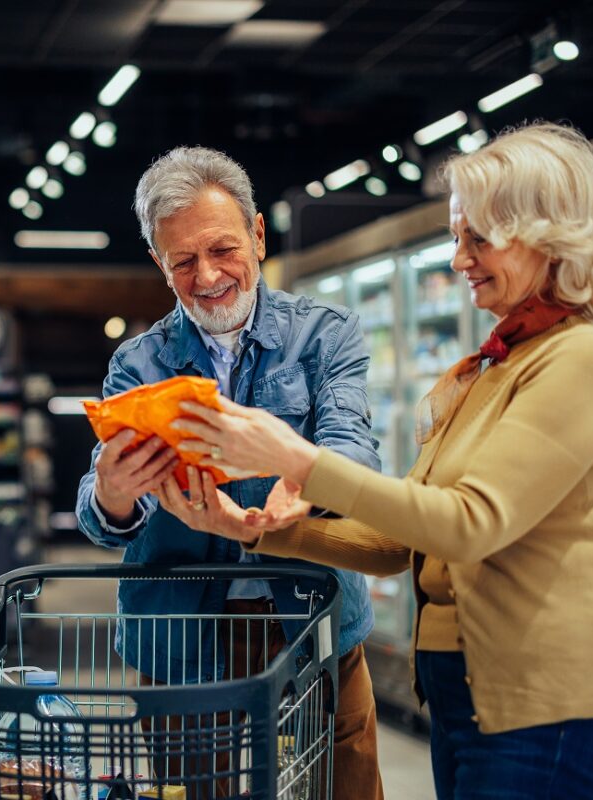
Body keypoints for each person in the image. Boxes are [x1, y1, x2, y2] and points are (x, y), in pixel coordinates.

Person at [173, 122, 593, 799]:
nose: (459, 260)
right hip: (467, 694)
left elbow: (468, 523)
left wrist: (301, 462)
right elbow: (401, 542)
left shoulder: (578, 359)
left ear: (548, 236)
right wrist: (252, 530)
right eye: (457, 238)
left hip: (537, 702)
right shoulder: (496, 366)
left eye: (479, 239)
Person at [75, 145, 385, 799]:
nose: (208, 275)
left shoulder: (324, 336)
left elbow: (353, 446)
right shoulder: (138, 366)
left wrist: (301, 485)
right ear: (160, 264)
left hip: (308, 622)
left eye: (222, 249)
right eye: (182, 260)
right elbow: (107, 520)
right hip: (183, 633)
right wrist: (115, 494)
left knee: (341, 784)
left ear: (258, 234)